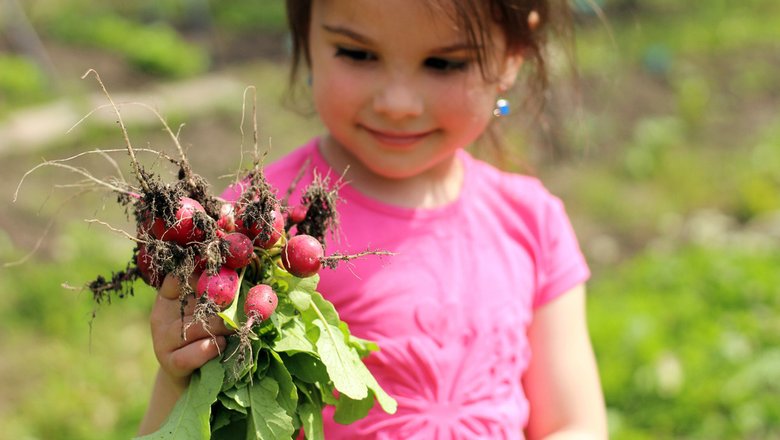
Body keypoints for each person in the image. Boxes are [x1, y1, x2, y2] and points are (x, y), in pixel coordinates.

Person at [138, 0, 608, 438]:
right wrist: (180, 373)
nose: (397, 103)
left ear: (513, 56)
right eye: (358, 54)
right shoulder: (257, 224)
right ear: (304, 36)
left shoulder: (532, 222)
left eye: (445, 63)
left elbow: (575, 422)